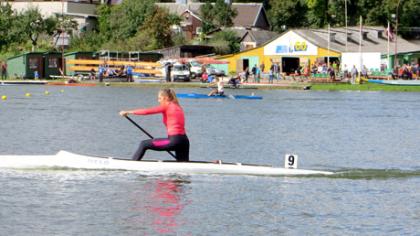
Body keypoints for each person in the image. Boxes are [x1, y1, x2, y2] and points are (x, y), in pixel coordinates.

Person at [119, 89, 189, 162]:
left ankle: (132, 164)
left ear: (166, 98)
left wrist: (128, 112)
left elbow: (147, 111)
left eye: (160, 98)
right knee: (184, 166)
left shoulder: (167, 106)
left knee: (144, 144)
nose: (158, 101)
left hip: (174, 141)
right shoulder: (178, 107)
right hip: (184, 141)